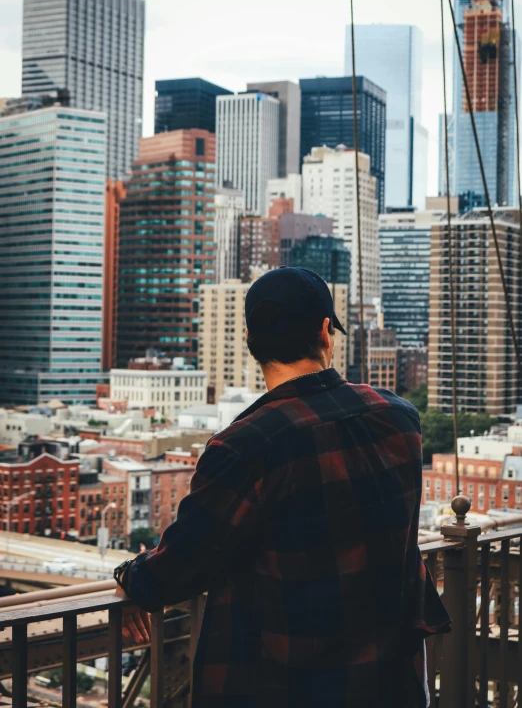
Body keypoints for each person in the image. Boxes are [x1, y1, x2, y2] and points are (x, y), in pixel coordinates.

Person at [114, 267, 450, 707]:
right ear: (326, 333)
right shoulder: (401, 417)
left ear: (251, 341)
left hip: (291, 686)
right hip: (391, 681)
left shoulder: (244, 445)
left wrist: (129, 575)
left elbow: (181, 565)